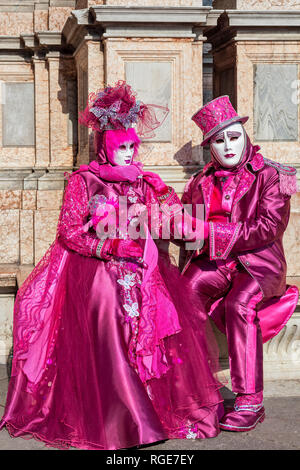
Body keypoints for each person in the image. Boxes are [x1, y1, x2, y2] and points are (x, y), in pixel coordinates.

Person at [0, 82, 223, 450]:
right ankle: (125, 419)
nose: (128, 153)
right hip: (98, 266)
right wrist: (109, 246)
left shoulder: (141, 181)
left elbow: (171, 221)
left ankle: (152, 408)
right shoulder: (84, 181)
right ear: (104, 146)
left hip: (144, 269)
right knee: (107, 304)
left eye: (133, 146)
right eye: (121, 146)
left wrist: (162, 194)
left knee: (164, 317)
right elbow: (70, 232)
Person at [181, 95, 299, 432]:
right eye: (219, 140)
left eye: (234, 137)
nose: (229, 146)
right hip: (216, 261)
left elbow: (268, 228)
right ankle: (196, 386)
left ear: (244, 136)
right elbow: (191, 226)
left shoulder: (271, 175)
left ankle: (251, 400)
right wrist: (166, 218)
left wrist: (211, 231)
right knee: (183, 293)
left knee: (238, 305)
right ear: (211, 147)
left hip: (258, 265)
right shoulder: (200, 181)